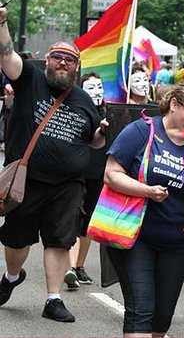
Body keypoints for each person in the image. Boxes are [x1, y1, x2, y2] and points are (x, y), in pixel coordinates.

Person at [0, 6, 105, 322]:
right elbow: (6, 56)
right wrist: (2, 22)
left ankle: (53, 299)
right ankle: (13, 276)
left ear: (76, 67)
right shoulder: (29, 78)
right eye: (57, 57)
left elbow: (95, 142)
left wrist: (101, 132)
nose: (62, 62)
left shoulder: (85, 101)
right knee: (17, 238)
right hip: (27, 179)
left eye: (69, 59)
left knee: (60, 240)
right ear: (47, 61)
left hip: (68, 185)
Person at [105, 81, 184, 337]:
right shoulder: (141, 131)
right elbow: (111, 174)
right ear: (174, 104)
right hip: (135, 236)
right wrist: (147, 191)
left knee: (162, 314)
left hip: (178, 243)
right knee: (141, 309)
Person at [64, 72, 106, 290]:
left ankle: (79, 266)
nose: (97, 92)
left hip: (98, 175)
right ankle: (70, 268)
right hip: (76, 173)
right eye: (91, 88)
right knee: (73, 219)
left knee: (88, 223)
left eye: (100, 87)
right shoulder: (75, 111)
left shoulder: (110, 115)